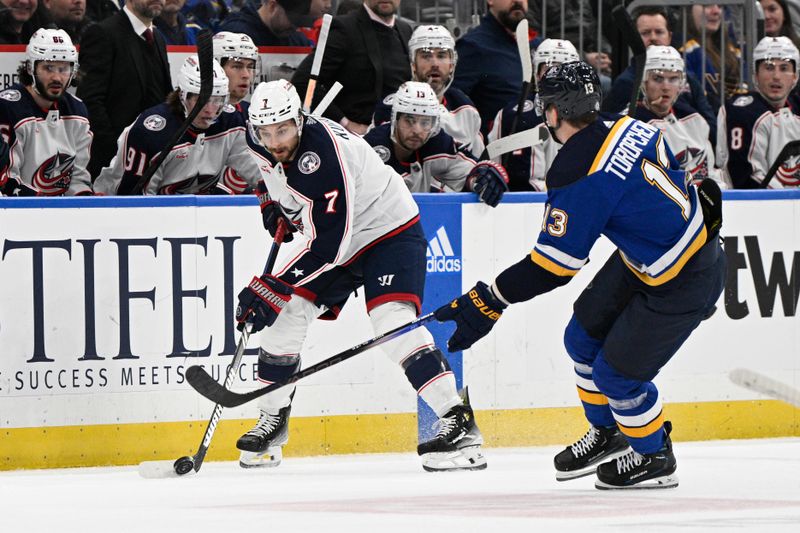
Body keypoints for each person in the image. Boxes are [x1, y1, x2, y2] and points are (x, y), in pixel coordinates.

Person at [435, 61, 725, 490]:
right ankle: (609, 432)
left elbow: (555, 266)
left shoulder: (577, 171)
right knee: (580, 339)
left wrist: (491, 298)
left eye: (546, 107)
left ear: (554, 114)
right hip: (649, 258)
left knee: (617, 377)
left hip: (685, 279)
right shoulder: (632, 126)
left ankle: (653, 454)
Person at [235, 79, 486, 472]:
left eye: (282, 130)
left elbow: (330, 247)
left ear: (299, 120)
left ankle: (458, 421)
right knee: (286, 312)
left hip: (390, 229)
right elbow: (269, 172)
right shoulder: (260, 138)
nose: (274, 140)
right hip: (342, 233)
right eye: (265, 132)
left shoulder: (323, 158)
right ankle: (272, 420)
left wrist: (276, 284)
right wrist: (274, 201)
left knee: (393, 322)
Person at [94, 55, 261, 195]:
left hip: (191, 212)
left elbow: (256, 172)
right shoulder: (151, 133)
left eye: (217, 100)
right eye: (200, 100)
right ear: (183, 96)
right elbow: (136, 202)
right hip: (116, 210)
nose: (210, 110)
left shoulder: (231, 122)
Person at [364, 81, 508, 206]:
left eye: (425, 122)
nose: (417, 130)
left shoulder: (437, 142)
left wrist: (481, 178)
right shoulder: (372, 148)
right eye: (409, 120)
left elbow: (467, 172)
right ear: (395, 119)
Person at [77, 0, 173, 178]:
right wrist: (117, 154)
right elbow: (90, 102)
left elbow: (163, 100)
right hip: (113, 166)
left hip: (153, 161)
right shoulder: (102, 33)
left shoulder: (158, 38)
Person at [291, 0, 414, 135]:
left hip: (399, 137)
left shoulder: (405, 30)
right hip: (357, 141)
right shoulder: (344, 28)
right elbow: (304, 81)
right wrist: (344, 123)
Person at [0, 29, 92, 196]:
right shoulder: (8, 108)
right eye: (49, 68)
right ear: (30, 68)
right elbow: (6, 179)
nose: (57, 78)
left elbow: (78, 178)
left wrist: (84, 199)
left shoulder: (78, 112)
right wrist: (43, 204)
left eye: (63, 69)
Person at [602, 5, 716, 141]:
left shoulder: (688, 77)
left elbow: (711, 125)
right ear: (634, 39)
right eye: (645, 33)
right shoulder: (626, 82)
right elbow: (608, 129)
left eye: (659, 32)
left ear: (669, 37)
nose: (653, 38)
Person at [371, 24, 485, 158]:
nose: (435, 63)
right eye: (426, 56)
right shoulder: (393, 107)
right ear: (413, 63)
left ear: (451, 65)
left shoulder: (465, 108)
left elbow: (478, 163)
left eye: (441, 55)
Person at [487, 38, 578, 191]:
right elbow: (525, 186)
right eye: (549, 70)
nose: (558, 79)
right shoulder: (516, 117)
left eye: (566, 72)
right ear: (537, 74)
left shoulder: (586, 118)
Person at [634, 46, 725, 187]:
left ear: (681, 83)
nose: (666, 87)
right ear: (644, 81)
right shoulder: (629, 123)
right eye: (658, 78)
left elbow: (711, 174)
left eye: (673, 78)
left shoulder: (695, 120)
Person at [717, 36, 800, 189]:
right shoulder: (743, 112)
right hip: (755, 207)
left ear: (795, 76)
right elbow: (743, 178)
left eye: (784, 68)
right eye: (769, 67)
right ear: (756, 74)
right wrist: (789, 201)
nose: (776, 76)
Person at [452, 0, 534, 135]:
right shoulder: (473, 46)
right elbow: (454, 106)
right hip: (494, 149)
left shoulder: (537, 46)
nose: (518, 1)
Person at [213, 31, 260, 193]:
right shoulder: (198, 118)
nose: (246, 75)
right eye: (237, 66)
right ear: (215, 67)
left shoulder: (253, 113)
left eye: (250, 67)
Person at [682, 4, 742, 112]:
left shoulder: (733, 51)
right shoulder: (685, 53)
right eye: (707, 4)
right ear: (688, 8)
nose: (716, 11)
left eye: (720, 5)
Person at [218, 0, 314, 46]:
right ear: (272, 6)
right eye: (291, 18)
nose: (295, 26)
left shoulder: (297, 40)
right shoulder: (236, 35)